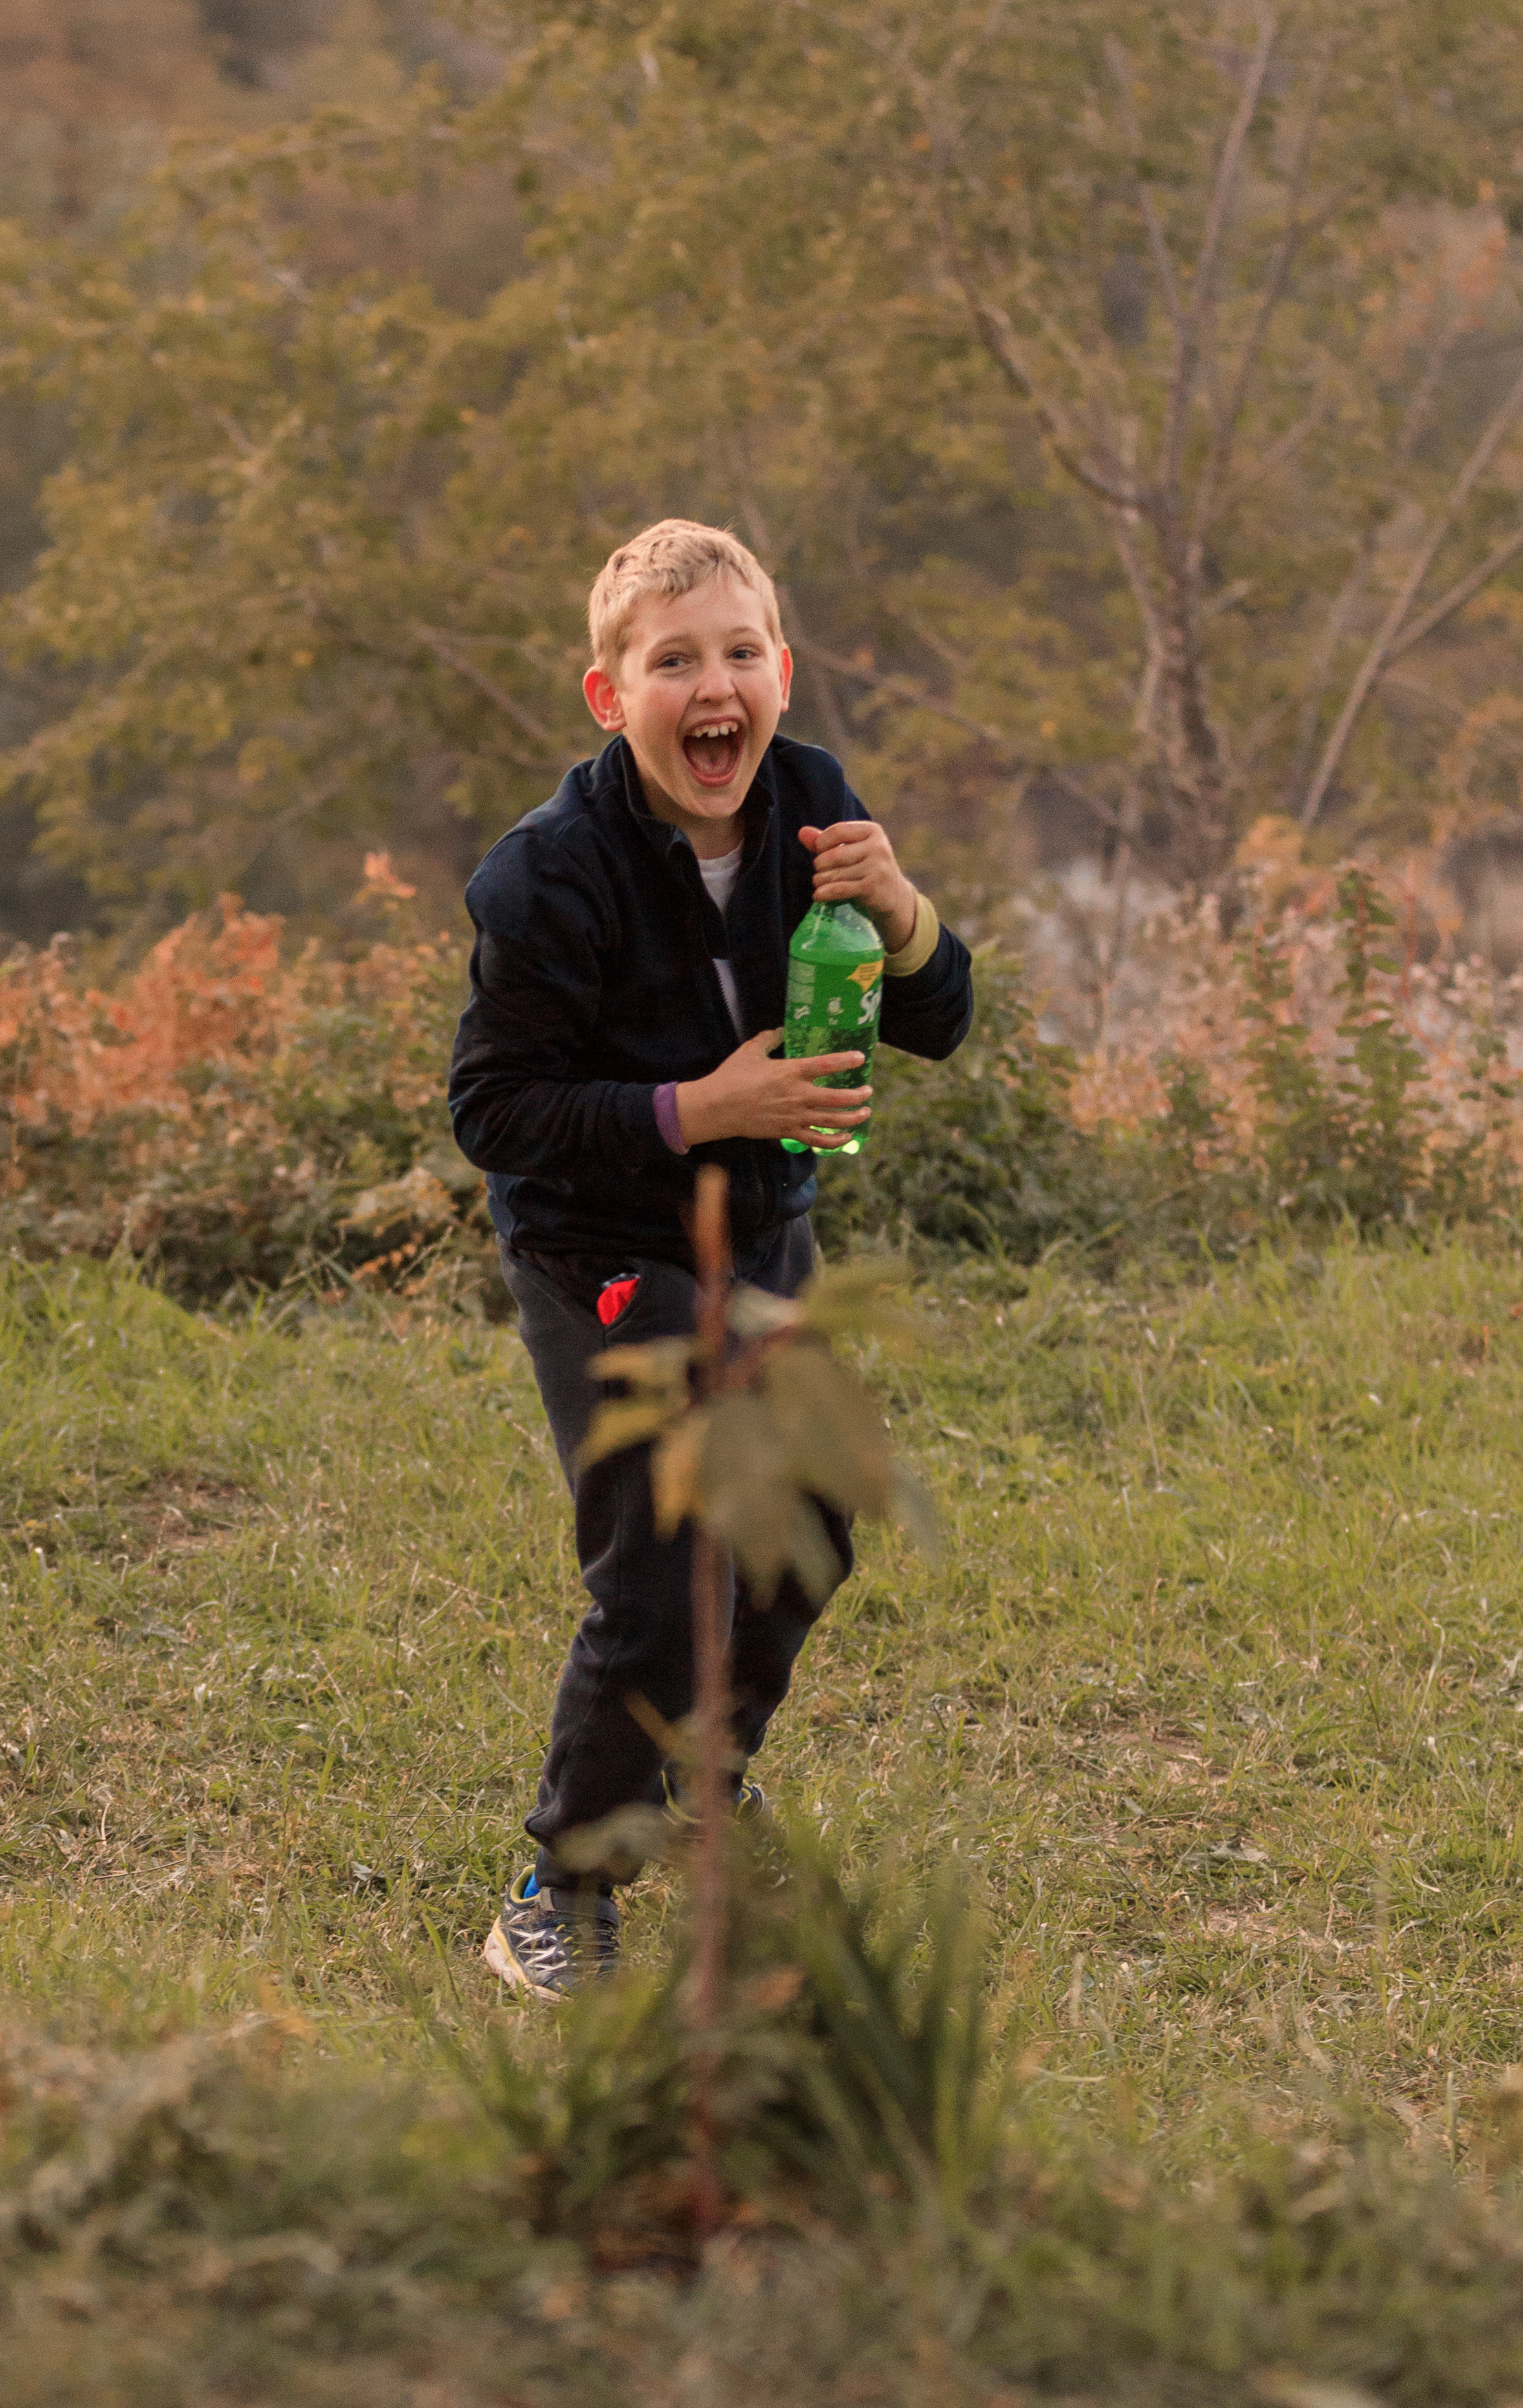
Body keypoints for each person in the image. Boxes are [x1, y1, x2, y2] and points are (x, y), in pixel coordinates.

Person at [448, 519, 973, 1998]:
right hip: (597, 1245)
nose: (712, 683)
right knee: (668, 1548)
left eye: (738, 651)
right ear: (610, 699)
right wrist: (699, 1107)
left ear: (780, 674)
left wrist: (901, 908)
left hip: (764, 1233)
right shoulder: (543, 875)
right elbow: (493, 1110)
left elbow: (936, 1016)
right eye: (671, 659)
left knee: (806, 1515)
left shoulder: (809, 803)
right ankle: (558, 1882)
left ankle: (697, 1778)